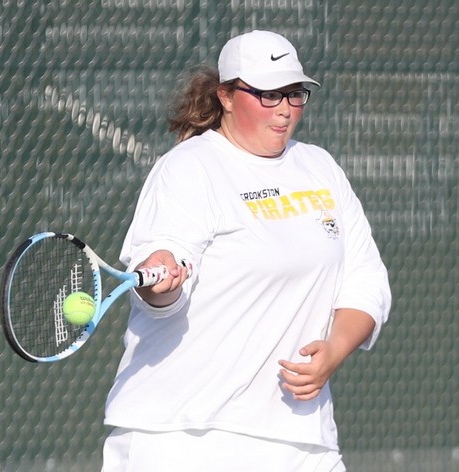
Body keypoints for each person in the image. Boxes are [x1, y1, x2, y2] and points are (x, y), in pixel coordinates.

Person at [101, 30, 391, 471]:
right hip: (181, 436)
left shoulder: (320, 168)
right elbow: (163, 270)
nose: (285, 109)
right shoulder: (189, 168)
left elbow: (365, 281)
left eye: (294, 94)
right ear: (227, 96)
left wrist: (334, 351)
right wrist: (161, 278)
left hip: (301, 439)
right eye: (268, 94)